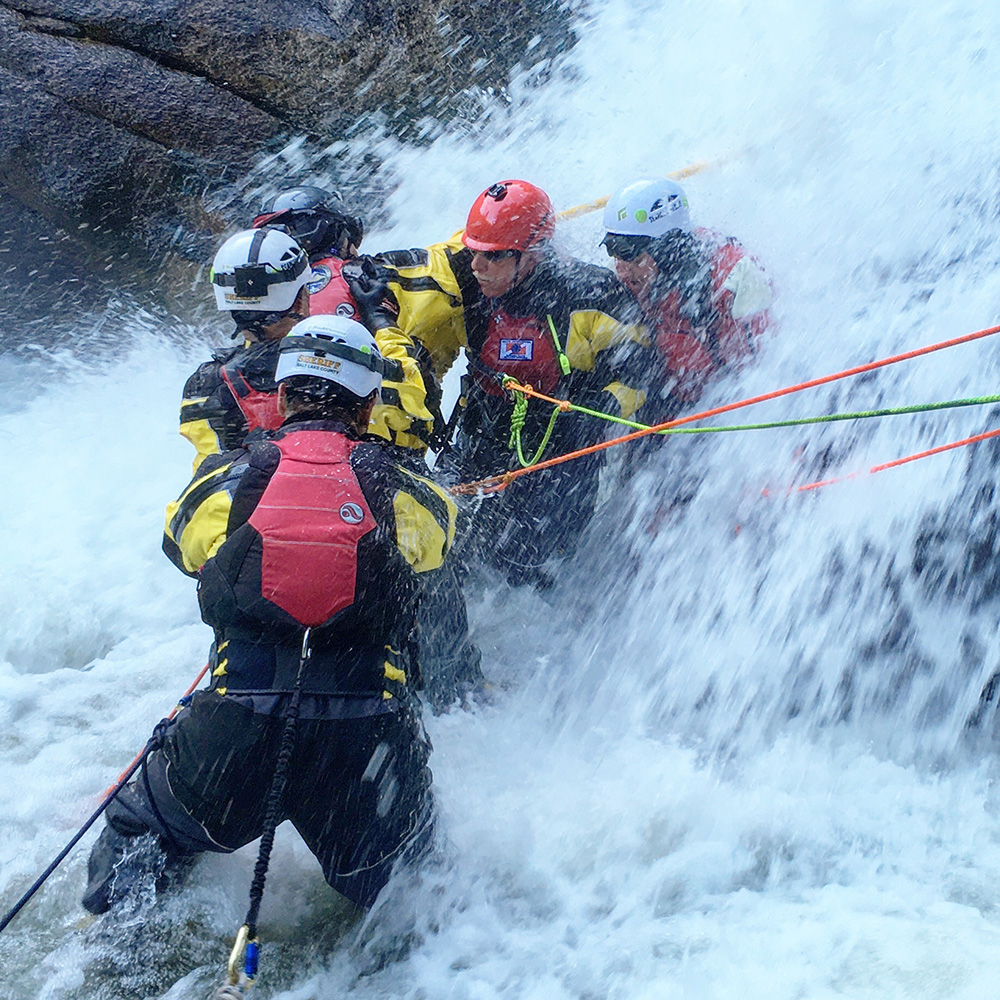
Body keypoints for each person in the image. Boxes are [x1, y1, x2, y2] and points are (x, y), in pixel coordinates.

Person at [83, 317, 457, 915]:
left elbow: (185, 549)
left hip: (234, 732)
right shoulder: (412, 490)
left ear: (282, 398)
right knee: (412, 892)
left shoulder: (221, 481)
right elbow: (432, 551)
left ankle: (122, 945)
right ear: (367, 408)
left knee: (140, 836)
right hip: (364, 744)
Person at [348, 178, 654, 586]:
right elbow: (422, 270)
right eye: (474, 252)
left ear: (532, 253)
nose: (478, 266)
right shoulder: (468, 287)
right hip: (482, 431)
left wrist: (604, 409)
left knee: (531, 569)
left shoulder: (589, 295)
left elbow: (643, 369)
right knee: (442, 539)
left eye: (493, 257)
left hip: (561, 450)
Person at [601, 177, 773, 418]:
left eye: (635, 260)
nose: (622, 271)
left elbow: (765, 368)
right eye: (617, 259)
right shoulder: (634, 274)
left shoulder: (735, 276)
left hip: (731, 403)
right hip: (670, 399)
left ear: (667, 250)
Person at [179, 227, 312, 473]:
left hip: (247, 494)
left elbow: (210, 472)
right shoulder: (337, 359)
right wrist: (381, 324)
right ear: (300, 301)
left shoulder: (206, 384)